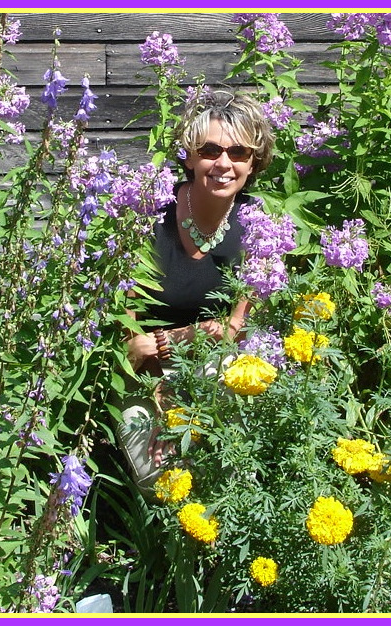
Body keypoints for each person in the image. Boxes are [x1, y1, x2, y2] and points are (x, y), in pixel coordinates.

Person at [115, 89, 275, 497]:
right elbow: (131, 347)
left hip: (217, 371)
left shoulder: (258, 227)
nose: (224, 163)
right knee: (162, 476)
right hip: (146, 379)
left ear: (253, 161)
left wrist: (168, 342)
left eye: (238, 152)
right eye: (209, 150)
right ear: (188, 156)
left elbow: (236, 330)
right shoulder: (148, 215)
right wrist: (163, 395)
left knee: (233, 461)